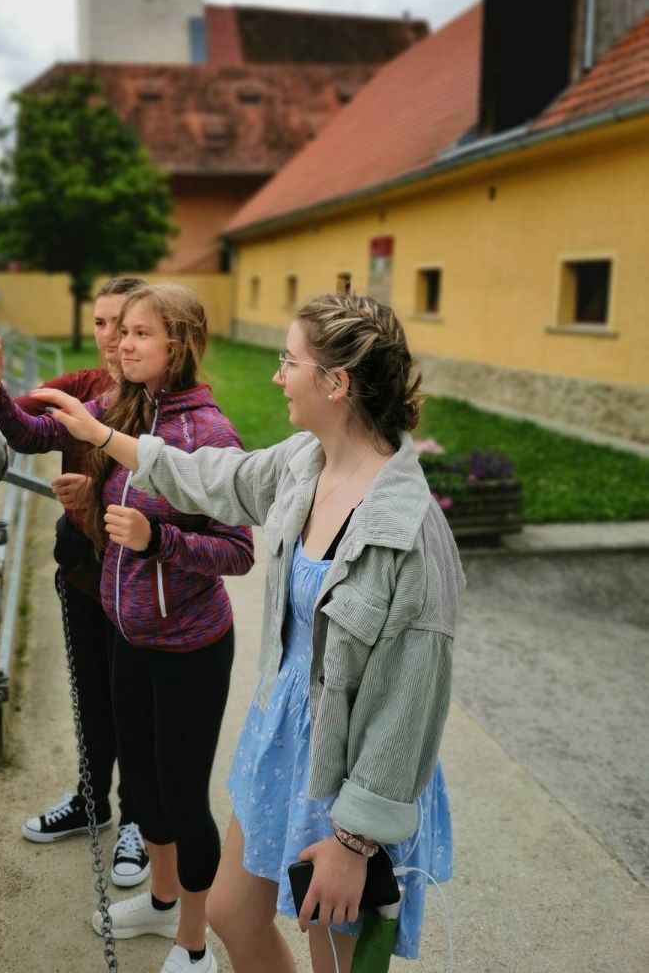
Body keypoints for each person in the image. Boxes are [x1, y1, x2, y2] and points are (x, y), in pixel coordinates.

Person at [36, 292, 465, 973]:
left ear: (336, 382)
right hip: (281, 743)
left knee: (339, 965)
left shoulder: (410, 533)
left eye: (288, 361)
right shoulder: (307, 461)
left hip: (348, 770)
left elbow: (410, 707)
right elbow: (216, 476)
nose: (276, 375)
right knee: (235, 913)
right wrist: (101, 438)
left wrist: (355, 843)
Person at [0, 283, 254, 973]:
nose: (121, 344)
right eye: (121, 330)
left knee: (183, 798)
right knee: (141, 785)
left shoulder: (209, 434)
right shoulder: (122, 405)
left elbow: (239, 551)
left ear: (179, 346)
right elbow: (36, 432)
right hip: (128, 636)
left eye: (139, 334)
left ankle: (194, 948)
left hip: (190, 649)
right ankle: (161, 903)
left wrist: (155, 538)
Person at [0, 275, 151, 888]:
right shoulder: (79, 387)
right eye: (103, 324)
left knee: (133, 701)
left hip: (141, 584)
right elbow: (25, 428)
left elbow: (178, 487)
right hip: (83, 571)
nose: (110, 338)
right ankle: (90, 800)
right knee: (89, 692)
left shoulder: (165, 401)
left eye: (125, 326)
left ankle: (138, 818)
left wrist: (98, 492)